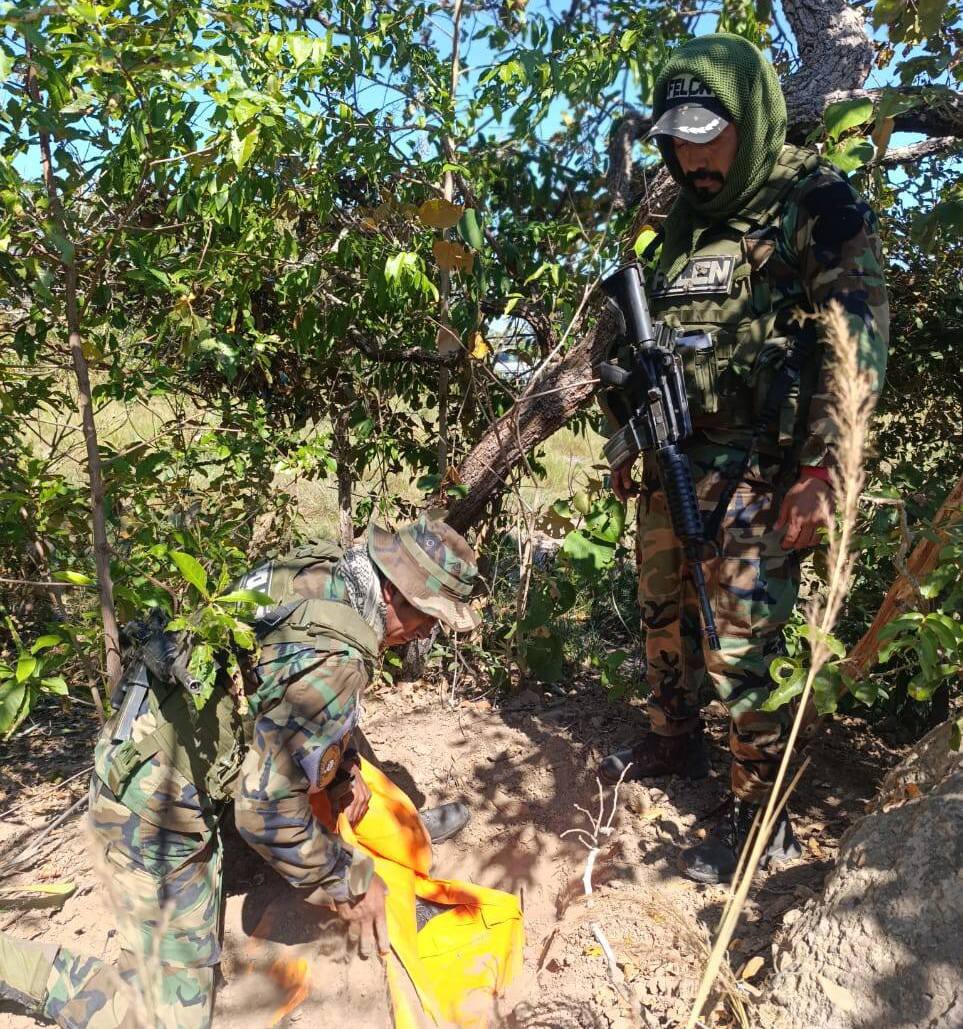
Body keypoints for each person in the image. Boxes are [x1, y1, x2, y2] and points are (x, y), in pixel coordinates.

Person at [596, 33, 888, 884]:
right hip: (672, 460)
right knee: (663, 613)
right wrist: (627, 440)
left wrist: (825, 469)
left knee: (742, 647)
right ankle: (671, 740)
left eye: (707, 135)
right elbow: (639, 347)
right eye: (676, 139)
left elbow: (858, 336)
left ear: (751, 116)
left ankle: (763, 820)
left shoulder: (812, 200)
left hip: (765, 469)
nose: (691, 158)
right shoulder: (681, 226)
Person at [0, 515, 480, 1028]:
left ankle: (400, 840)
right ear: (391, 592)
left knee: (341, 785)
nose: (428, 629)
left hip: (172, 745)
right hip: (153, 806)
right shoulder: (336, 655)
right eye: (428, 614)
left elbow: (276, 688)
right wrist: (352, 883)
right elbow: (263, 812)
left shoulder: (330, 572)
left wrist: (341, 773)